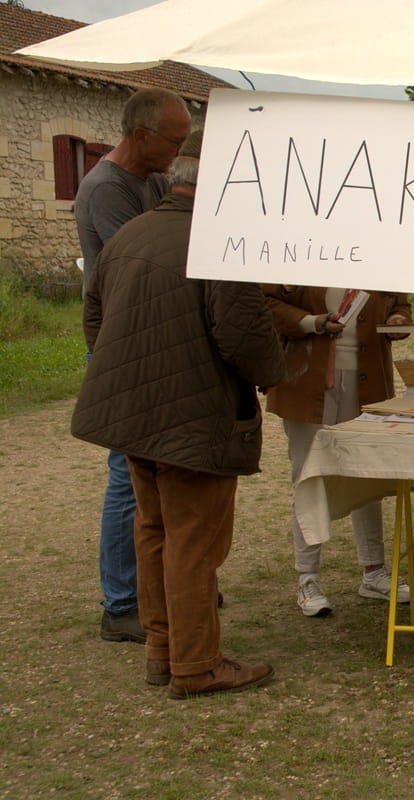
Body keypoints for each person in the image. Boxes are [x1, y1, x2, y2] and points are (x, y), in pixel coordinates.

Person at [71, 130, 285, 697]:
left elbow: (94, 320)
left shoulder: (131, 233)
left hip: (135, 415)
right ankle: (197, 665)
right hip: (193, 416)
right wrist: (273, 372)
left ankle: (163, 651)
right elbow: (244, 333)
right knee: (193, 540)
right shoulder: (221, 242)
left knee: (154, 531)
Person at [73, 87, 191, 644]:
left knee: (164, 466)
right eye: (174, 141)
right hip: (122, 344)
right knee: (128, 473)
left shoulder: (154, 180)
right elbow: (149, 259)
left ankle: (165, 587)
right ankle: (122, 603)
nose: (178, 152)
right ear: (141, 135)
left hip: (151, 340)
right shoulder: (105, 189)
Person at [262, 276, 412, 617]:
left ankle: (373, 571)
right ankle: (308, 577)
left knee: (366, 475)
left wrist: (398, 321)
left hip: (368, 381)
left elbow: (400, 304)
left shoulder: (384, 257)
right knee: (308, 475)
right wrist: (311, 322)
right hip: (306, 378)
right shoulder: (302, 254)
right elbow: (267, 304)